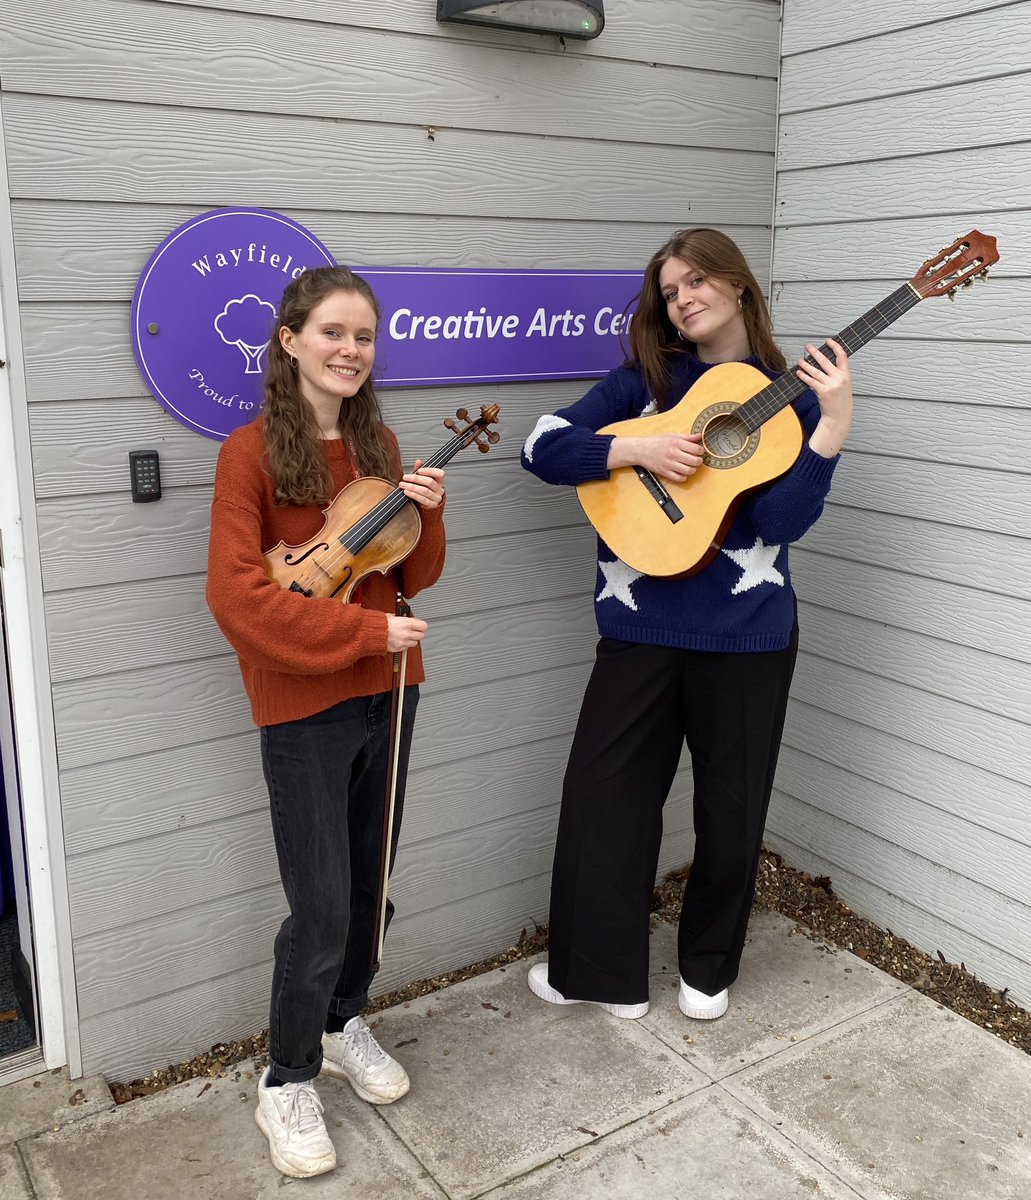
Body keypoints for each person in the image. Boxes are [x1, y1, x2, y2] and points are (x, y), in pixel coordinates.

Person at [520, 228, 853, 1024]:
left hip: (747, 631)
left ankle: (707, 969)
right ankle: (600, 974)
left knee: (730, 809)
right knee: (604, 797)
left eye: (698, 281)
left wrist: (832, 423)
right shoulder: (647, 379)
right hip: (639, 623)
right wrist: (638, 449)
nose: (684, 299)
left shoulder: (795, 394)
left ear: (738, 286)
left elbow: (777, 519)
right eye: (669, 292)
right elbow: (541, 445)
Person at [206, 265, 446, 1179]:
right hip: (304, 703)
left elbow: (414, 575)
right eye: (334, 334)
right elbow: (236, 598)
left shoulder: (380, 441)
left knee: (368, 885)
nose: (351, 351)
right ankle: (287, 1076)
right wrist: (360, 630)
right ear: (290, 341)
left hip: (393, 686)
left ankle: (346, 1020)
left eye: (365, 338)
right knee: (316, 905)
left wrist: (429, 513)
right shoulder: (250, 453)